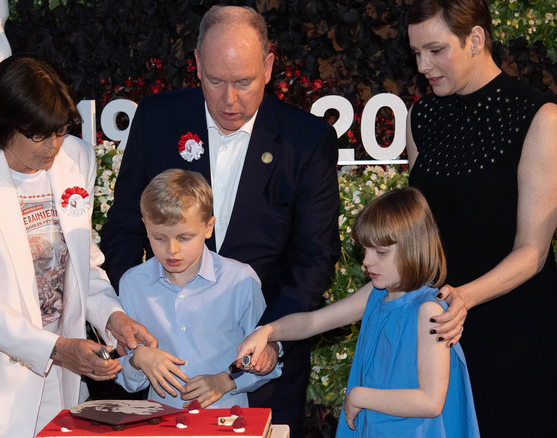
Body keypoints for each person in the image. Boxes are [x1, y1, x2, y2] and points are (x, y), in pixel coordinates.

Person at [99, 5, 340, 433]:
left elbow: (314, 259)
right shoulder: (157, 120)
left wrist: (270, 337)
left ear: (268, 66)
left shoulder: (307, 141)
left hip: (265, 375)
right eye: (215, 81)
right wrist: (129, 318)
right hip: (163, 373)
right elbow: (121, 228)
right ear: (196, 64)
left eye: (244, 82)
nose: (230, 100)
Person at [0, 55, 157, 438]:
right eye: (39, 134)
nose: (53, 146)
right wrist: (58, 348)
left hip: (58, 382)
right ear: (2, 124)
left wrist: (113, 317)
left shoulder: (76, 158)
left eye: (60, 130)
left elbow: (82, 265)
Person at [404, 0, 557, 435]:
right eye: (416, 53)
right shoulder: (422, 117)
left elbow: (532, 252)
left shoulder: (538, 117)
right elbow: (421, 232)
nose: (423, 65)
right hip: (441, 325)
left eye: (435, 50)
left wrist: (465, 297)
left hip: (513, 329)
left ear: (476, 39)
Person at [237, 188, 479, 437]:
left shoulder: (428, 311)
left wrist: (360, 395)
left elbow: (431, 401)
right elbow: (312, 321)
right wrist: (267, 331)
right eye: (365, 250)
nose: (366, 261)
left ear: (413, 248)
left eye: (380, 252)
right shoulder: (375, 293)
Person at [114, 169, 281, 409]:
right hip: (161, 425)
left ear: (209, 227)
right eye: (159, 238)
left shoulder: (240, 280)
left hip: (227, 423)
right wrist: (138, 359)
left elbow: (265, 360)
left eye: (184, 238)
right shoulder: (132, 284)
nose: (172, 250)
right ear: (145, 227)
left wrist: (227, 380)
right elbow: (125, 378)